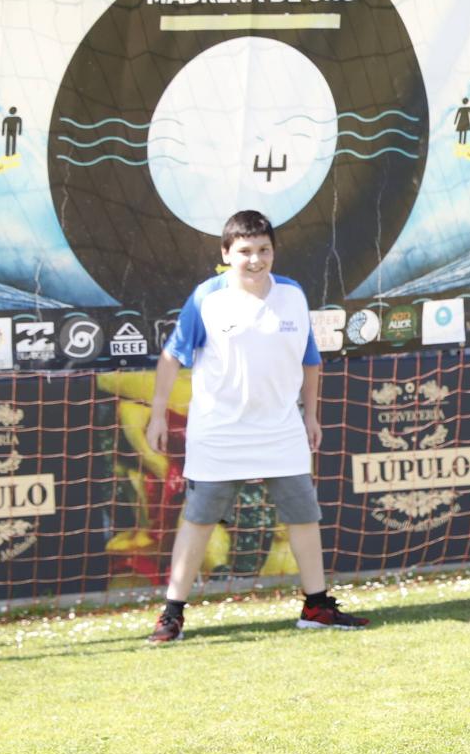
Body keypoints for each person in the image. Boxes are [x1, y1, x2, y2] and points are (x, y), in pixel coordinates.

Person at [144, 209, 366, 643]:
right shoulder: (208, 296)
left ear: (273, 252)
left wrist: (311, 414)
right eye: (244, 251)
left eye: (263, 250)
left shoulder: (293, 295)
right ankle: (171, 615)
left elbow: (310, 360)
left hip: (281, 429)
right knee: (199, 520)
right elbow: (172, 355)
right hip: (219, 432)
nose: (255, 260)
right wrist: (156, 412)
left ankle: (316, 606)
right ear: (226, 253)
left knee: (304, 515)